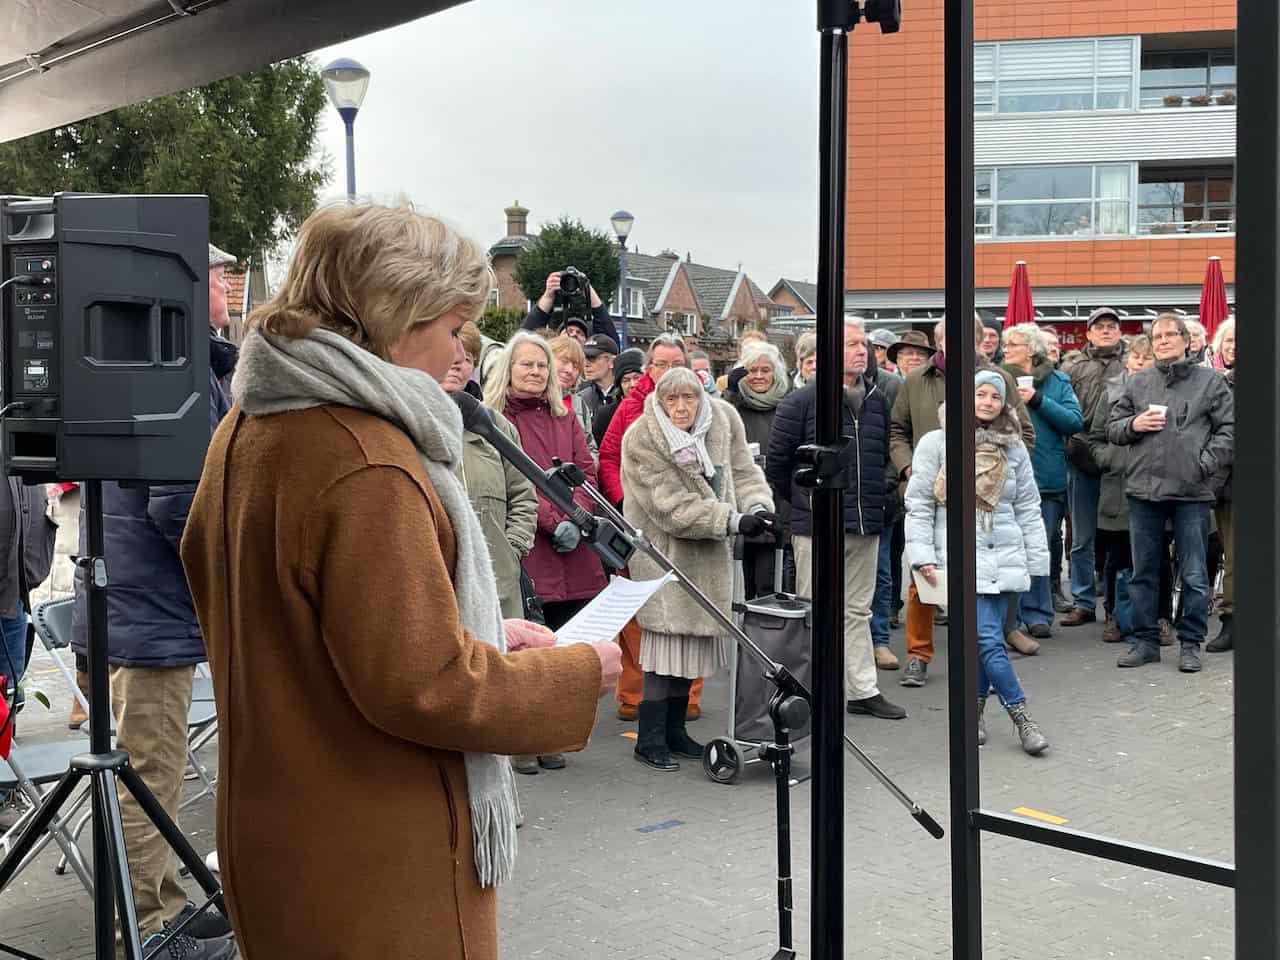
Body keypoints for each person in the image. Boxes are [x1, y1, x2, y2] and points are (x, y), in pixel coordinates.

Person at [181, 206, 620, 960]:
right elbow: (423, 684)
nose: (459, 353)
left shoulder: (254, 424)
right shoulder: (365, 457)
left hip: (281, 824)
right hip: (376, 850)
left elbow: (295, 608)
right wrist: (574, 674)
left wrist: (463, 623)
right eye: (452, 329)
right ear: (395, 314)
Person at [65, 244, 241, 958]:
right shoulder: (176, 369)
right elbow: (183, 504)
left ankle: (156, 908)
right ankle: (150, 932)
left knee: (140, 774)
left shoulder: (141, 359)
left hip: (127, 610)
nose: (229, 282)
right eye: (219, 271)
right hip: (151, 621)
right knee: (147, 780)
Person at [622, 368, 776, 770]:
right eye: (671, 399)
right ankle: (649, 739)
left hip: (711, 560)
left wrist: (758, 506)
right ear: (658, 400)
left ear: (702, 396)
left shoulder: (723, 419)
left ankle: (675, 732)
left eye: (688, 398)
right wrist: (730, 520)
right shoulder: (641, 436)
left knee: (692, 651)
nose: (680, 407)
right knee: (665, 650)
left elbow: (745, 472)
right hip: (666, 557)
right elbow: (669, 508)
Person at [904, 371, 1051, 755]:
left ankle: (975, 713)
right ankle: (1022, 717)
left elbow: (1028, 507)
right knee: (988, 639)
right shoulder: (937, 443)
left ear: (1005, 404)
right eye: (979, 394)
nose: (986, 402)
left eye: (994, 397)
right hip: (957, 555)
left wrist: (1037, 562)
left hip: (1003, 555)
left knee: (982, 644)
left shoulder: (1014, 447)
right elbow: (919, 504)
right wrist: (922, 557)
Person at [768, 318, 908, 718]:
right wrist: (805, 503)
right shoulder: (802, 401)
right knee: (815, 611)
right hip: (818, 527)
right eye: (850, 344)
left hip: (866, 523)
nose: (861, 350)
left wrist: (882, 497)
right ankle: (815, 692)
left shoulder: (878, 400)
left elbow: (882, 457)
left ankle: (861, 689)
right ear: (829, 352)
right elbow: (779, 465)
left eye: (863, 343)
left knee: (858, 610)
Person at [889, 317, 1036, 687]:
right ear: (937, 340)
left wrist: (996, 472)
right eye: (948, 336)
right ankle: (918, 654)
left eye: (965, 336)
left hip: (987, 502)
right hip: (932, 493)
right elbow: (897, 430)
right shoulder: (915, 380)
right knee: (922, 575)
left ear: (980, 340)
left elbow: (1024, 433)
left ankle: (1003, 632)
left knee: (995, 570)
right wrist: (909, 468)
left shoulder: (999, 379)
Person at [1106, 313, 1234, 673]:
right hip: (1143, 490)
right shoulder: (1137, 382)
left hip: (1191, 492)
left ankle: (1190, 643)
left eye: (1170, 335)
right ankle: (1146, 642)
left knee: (1194, 573)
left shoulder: (1211, 382)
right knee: (1144, 571)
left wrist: (1204, 466)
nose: (1162, 341)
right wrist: (1134, 424)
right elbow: (1113, 429)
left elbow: (1229, 430)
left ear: (1186, 340)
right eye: (1156, 336)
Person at [598, 334, 703, 721]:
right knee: (638, 610)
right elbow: (608, 457)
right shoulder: (630, 408)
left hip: (685, 524)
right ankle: (633, 695)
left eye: (677, 364)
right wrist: (625, 499)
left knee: (690, 607)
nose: (669, 371)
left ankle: (687, 697)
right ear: (649, 368)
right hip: (637, 526)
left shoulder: (704, 410)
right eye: (661, 364)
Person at [445, 322, 537, 622]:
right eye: (453, 356)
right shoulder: (409, 424)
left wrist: (511, 549)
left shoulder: (497, 427)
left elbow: (524, 494)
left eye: (468, 359)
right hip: (441, 583)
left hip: (499, 585)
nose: (458, 365)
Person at [1002, 323, 1083, 646]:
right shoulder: (997, 380)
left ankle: (1038, 615)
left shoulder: (1058, 381)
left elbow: (1074, 422)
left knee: (1040, 547)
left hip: (1046, 479)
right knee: (1012, 549)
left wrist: (1037, 400)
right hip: (1005, 479)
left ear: (1031, 351)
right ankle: (1012, 618)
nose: (1006, 349)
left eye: (1014, 344)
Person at [1059, 307, 1127, 627]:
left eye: (1111, 326)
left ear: (1119, 331)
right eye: (1099, 327)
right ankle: (1084, 601)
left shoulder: (1131, 363)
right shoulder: (1074, 367)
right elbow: (1062, 409)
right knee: (1081, 538)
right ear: (1088, 333)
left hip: (1121, 458)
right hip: (1082, 456)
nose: (1106, 331)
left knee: (1121, 536)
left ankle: (1118, 604)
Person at [1088, 335, 1155, 646]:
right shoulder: (1112, 391)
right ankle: (1114, 614)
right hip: (1117, 486)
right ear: (1127, 360)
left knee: (1154, 558)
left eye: (1148, 357)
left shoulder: (1161, 391)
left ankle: (1157, 617)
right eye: (1137, 357)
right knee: (1115, 557)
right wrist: (1110, 459)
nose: (1141, 362)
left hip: (1153, 484)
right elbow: (1096, 437)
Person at [724, 339, 790, 599]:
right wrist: (731, 392)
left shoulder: (787, 404)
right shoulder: (733, 406)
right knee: (741, 588)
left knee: (771, 586)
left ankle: (768, 638)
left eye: (766, 370)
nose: (759, 376)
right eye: (752, 371)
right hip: (740, 505)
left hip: (778, 503)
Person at [1207, 319, 1235, 652]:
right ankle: (1232, 622)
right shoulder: (1216, 384)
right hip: (1227, 485)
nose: (1233, 345)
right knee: (1235, 557)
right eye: (1227, 340)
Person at [523, 270, 620, 344]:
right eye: (568, 331)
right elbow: (525, 337)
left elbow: (611, 341)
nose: (574, 334)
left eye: (580, 333)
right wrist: (548, 296)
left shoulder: (590, 366)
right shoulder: (548, 364)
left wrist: (586, 286)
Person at [548, 335, 596, 459]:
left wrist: (586, 468)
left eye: (575, 367)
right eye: (564, 361)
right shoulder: (532, 399)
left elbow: (591, 448)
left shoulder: (580, 404)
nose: (569, 370)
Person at [592, 348, 643, 449]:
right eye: (626, 380)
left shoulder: (658, 409)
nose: (632, 384)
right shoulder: (606, 415)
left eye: (637, 377)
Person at [578, 333, 619, 417]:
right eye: (584, 358)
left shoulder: (626, 394)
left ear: (611, 362)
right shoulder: (581, 398)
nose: (586, 364)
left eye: (592, 358)